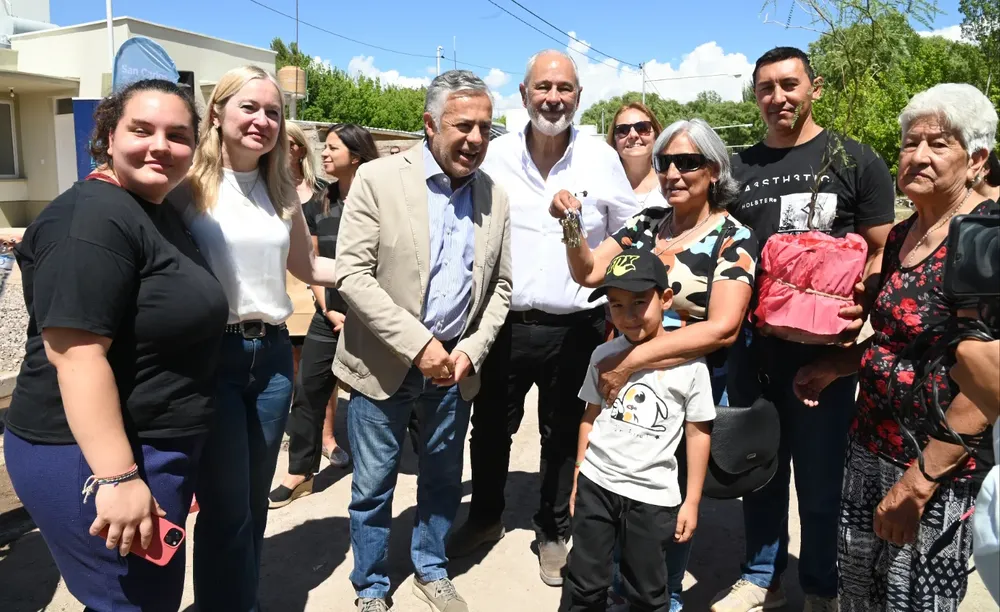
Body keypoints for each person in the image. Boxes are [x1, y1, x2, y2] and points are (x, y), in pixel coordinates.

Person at [3, 79, 228, 611]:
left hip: (146, 445)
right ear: (107, 137)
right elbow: (76, 356)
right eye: (141, 130)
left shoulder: (152, 207)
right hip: (91, 456)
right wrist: (119, 477)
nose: (160, 146)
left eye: (177, 135)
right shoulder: (89, 219)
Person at [793, 83, 997, 611]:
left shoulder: (985, 241)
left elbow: (988, 385)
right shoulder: (904, 233)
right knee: (859, 591)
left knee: (913, 599)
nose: (919, 156)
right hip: (869, 446)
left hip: (936, 467)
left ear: (977, 160)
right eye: (911, 143)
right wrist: (837, 365)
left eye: (939, 143)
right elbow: (897, 342)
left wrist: (919, 483)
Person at [711, 47, 897, 612]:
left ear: (814, 88)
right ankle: (761, 577)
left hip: (824, 354)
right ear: (755, 96)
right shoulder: (738, 169)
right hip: (753, 348)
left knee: (821, 482)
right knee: (759, 467)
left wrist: (860, 319)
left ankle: (820, 586)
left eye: (789, 84)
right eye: (766, 88)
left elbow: (882, 252)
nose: (778, 97)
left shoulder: (856, 160)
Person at [447, 49, 639, 587]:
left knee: (562, 434)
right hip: (503, 323)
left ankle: (553, 531)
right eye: (543, 87)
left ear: (579, 96)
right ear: (524, 93)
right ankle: (485, 517)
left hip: (577, 326)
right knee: (490, 429)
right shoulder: (494, 156)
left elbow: (632, 228)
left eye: (564, 89)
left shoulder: (600, 158)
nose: (553, 98)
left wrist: (606, 271)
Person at [550, 117, 757, 610]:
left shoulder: (733, 236)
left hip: (690, 380)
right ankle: (613, 588)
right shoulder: (647, 223)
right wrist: (571, 223)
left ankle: (661, 595)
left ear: (714, 169)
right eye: (665, 163)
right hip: (624, 381)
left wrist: (629, 360)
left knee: (664, 504)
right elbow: (589, 273)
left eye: (687, 162)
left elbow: (723, 328)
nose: (673, 173)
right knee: (615, 486)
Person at [332, 70, 511, 612]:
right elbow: (352, 274)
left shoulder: (494, 195)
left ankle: (430, 567)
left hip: (453, 367)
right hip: (383, 364)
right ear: (430, 125)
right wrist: (418, 346)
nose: (475, 139)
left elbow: (501, 287)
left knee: (442, 478)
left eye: (484, 127)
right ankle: (371, 586)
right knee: (373, 485)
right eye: (463, 126)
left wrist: (469, 350)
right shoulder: (378, 180)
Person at [180, 65, 339, 611]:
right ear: (216, 112)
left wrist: (376, 270)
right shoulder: (185, 185)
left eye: (273, 112)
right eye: (249, 107)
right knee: (226, 507)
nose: (262, 121)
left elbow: (307, 267)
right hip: (214, 356)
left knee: (252, 504)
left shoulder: (282, 190)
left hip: (272, 358)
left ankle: (236, 599)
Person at [559, 248, 714, 612]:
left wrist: (691, 501)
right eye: (616, 305)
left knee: (647, 590)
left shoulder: (691, 366)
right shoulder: (602, 357)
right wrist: (579, 472)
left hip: (652, 496)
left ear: (666, 298)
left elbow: (698, 433)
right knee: (584, 582)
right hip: (597, 484)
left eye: (639, 302)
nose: (627, 316)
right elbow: (590, 416)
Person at [268, 123, 378, 508]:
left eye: (333, 148)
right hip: (328, 315)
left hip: (375, 319)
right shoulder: (318, 203)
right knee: (308, 391)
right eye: (324, 147)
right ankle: (300, 472)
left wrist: (367, 314)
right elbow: (311, 262)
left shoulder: (380, 201)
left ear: (357, 156)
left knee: (382, 395)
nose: (324, 154)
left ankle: (405, 463)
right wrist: (328, 309)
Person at [607, 102, 669, 209]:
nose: (633, 135)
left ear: (656, 136)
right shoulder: (603, 187)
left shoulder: (671, 183)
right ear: (614, 141)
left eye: (642, 128)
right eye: (623, 130)